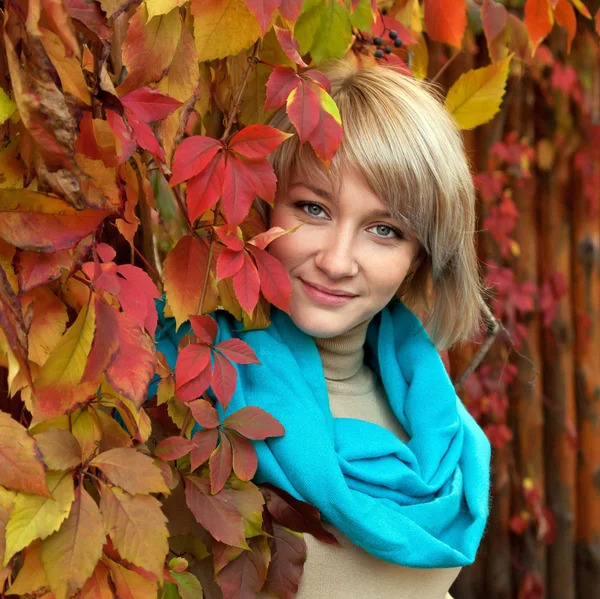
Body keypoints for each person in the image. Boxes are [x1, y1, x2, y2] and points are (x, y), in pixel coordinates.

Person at [155, 56, 492, 599]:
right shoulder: (192, 386)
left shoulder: (439, 418)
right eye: (313, 209)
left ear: (420, 257)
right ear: (265, 208)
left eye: (384, 229)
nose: (337, 261)